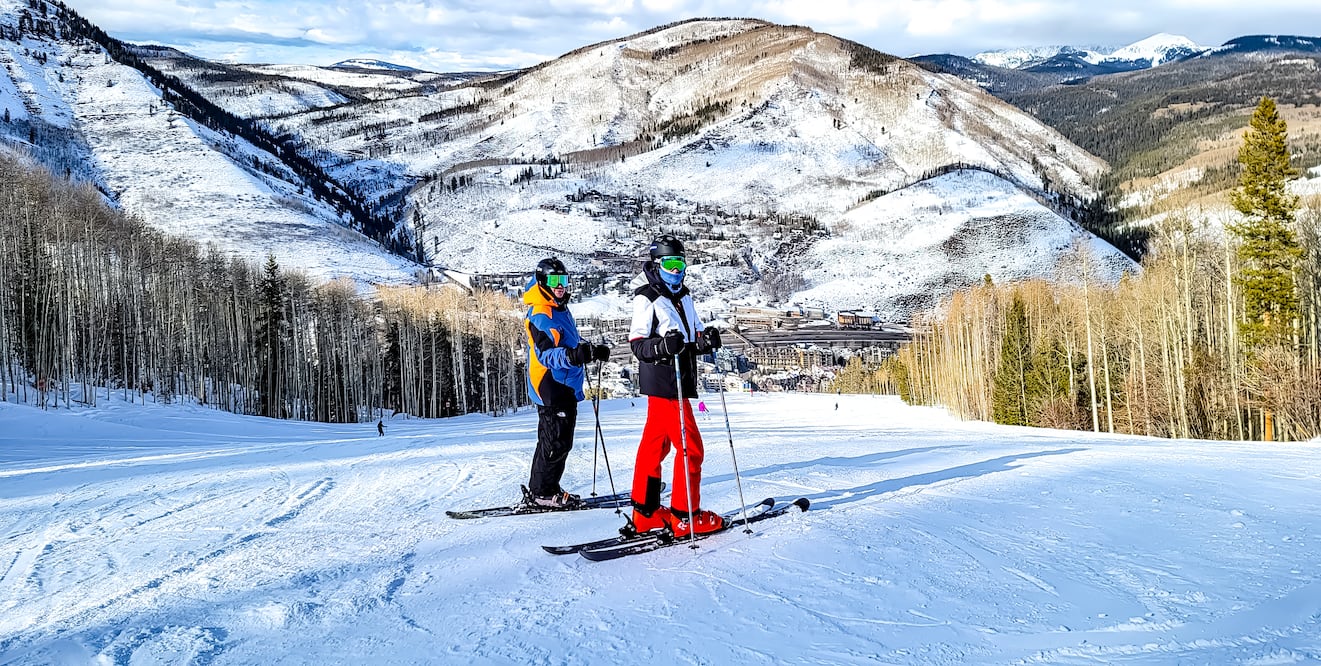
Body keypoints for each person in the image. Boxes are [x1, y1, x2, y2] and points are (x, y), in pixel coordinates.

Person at [626, 234, 724, 538]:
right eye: (670, 264)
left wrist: (705, 340)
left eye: (680, 263)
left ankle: (646, 513)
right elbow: (638, 344)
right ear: (657, 264)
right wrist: (663, 346)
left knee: (655, 446)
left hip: (677, 382)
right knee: (691, 449)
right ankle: (685, 516)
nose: (676, 270)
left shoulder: (684, 295)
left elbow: (690, 337)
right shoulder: (647, 296)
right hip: (667, 383)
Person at [522, 257, 610, 508]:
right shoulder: (541, 314)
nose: (560, 286)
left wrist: (589, 350)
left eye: (563, 280)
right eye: (554, 280)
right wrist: (574, 356)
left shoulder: (558, 307)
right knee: (555, 441)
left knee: (560, 440)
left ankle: (548, 487)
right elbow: (546, 355)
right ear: (542, 282)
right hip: (550, 384)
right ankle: (541, 493)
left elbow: (569, 340)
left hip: (564, 383)